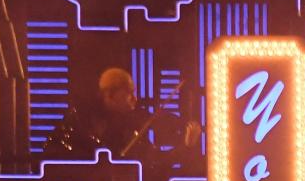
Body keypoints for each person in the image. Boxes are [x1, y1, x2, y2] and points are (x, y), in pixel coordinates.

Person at [43, 67, 200, 163]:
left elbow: (154, 161)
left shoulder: (130, 127)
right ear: (110, 95)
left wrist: (186, 147)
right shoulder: (78, 120)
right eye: (129, 93)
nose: (135, 99)